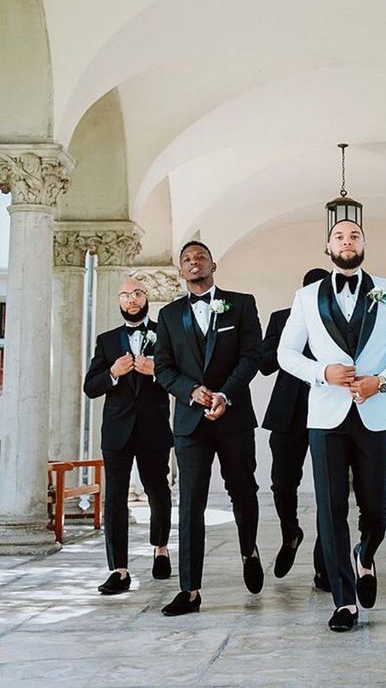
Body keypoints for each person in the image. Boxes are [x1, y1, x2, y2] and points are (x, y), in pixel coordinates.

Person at [278, 219, 386, 631]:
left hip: (374, 412)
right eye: (339, 236)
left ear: (365, 243)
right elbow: (287, 354)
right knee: (331, 506)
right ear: (327, 246)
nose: (346, 241)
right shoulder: (305, 297)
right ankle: (343, 602)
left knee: (378, 507)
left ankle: (366, 553)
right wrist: (323, 372)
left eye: (354, 235)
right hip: (326, 416)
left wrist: (383, 381)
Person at [154, 241, 263, 615]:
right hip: (189, 423)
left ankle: (249, 549)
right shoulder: (168, 316)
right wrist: (193, 392)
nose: (193, 262)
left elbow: (252, 356)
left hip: (233, 417)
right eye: (186, 259)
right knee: (191, 503)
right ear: (181, 272)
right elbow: (164, 369)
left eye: (200, 256)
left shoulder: (242, 304)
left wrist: (225, 395)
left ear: (213, 264)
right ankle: (190, 590)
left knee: (243, 491)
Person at [83, 277, 173, 594]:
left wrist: (157, 371)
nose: (130, 300)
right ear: (119, 302)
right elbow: (90, 387)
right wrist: (112, 373)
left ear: (146, 297)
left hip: (154, 428)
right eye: (124, 295)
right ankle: (118, 570)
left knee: (158, 491)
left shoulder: (166, 334)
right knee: (116, 500)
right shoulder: (106, 341)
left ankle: (160, 548)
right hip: (117, 431)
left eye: (136, 293)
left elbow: (183, 376)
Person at [261, 267, 331, 590]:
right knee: (281, 484)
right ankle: (291, 533)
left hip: (328, 412)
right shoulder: (281, 318)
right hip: (288, 413)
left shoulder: (339, 320)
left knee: (328, 492)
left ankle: (324, 568)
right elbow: (264, 364)